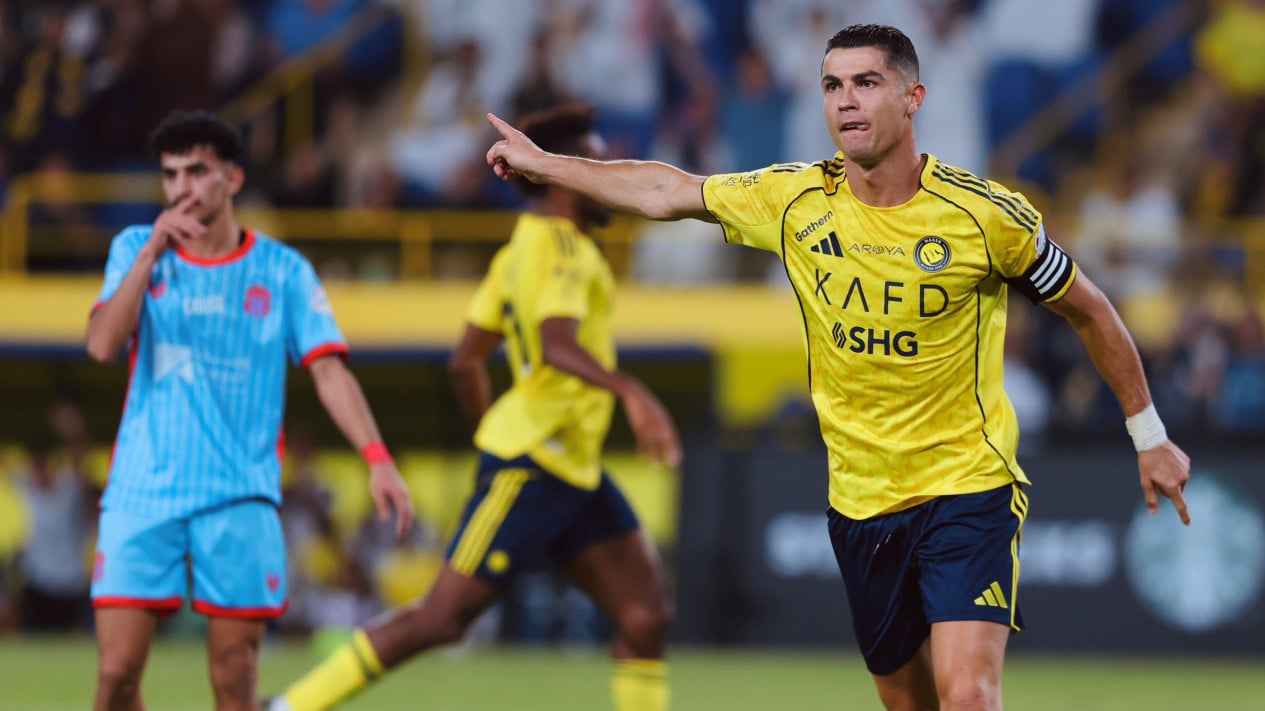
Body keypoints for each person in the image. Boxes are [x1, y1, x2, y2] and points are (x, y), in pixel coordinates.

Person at [484, 24, 1192, 711]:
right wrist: (548, 165)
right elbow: (666, 190)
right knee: (906, 701)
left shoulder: (986, 217)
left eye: (866, 83)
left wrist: (1149, 434)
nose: (845, 100)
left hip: (968, 487)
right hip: (860, 503)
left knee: (969, 695)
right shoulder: (794, 200)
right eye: (831, 85)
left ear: (912, 98)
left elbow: (1091, 311)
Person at [265, 105, 681, 711]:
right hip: (534, 467)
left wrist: (491, 432)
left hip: (571, 470)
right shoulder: (561, 246)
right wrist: (630, 391)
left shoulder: (521, 247)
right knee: (441, 619)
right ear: (558, 178)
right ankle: (286, 708)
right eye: (590, 163)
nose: (601, 176)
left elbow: (466, 360)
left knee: (645, 613)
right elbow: (556, 344)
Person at [85, 110, 414, 711]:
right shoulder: (134, 248)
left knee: (234, 684)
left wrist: (378, 458)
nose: (181, 187)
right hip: (142, 491)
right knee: (116, 676)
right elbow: (103, 345)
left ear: (232, 180)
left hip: (239, 495)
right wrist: (151, 252)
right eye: (170, 174)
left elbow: (329, 371)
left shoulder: (283, 271)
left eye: (197, 172)